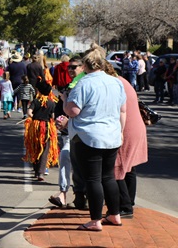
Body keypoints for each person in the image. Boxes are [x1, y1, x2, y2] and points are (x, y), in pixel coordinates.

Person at [63, 44, 126, 231]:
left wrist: (65, 100)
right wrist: (121, 131)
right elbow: (123, 110)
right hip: (112, 135)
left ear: (85, 65)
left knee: (93, 179)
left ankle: (95, 220)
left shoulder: (84, 83)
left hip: (89, 136)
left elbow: (73, 111)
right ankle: (114, 214)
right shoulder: (116, 82)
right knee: (109, 177)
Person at [103, 61, 147, 218]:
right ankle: (129, 202)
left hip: (125, 130)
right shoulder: (122, 81)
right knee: (129, 168)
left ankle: (125, 207)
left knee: (117, 168)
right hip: (135, 128)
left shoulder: (114, 85)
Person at [49, 56, 85, 208]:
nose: (70, 70)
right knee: (65, 156)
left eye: (74, 67)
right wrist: (59, 120)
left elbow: (82, 112)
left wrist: (67, 118)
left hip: (82, 133)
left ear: (83, 68)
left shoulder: (84, 85)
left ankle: (81, 197)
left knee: (79, 165)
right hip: (68, 133)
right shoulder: (69, 86)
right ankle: (63, 193)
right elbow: (60, 110)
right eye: (69, 67)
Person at [23, 77, 58, 181]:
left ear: (39, 91)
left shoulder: (36, 101)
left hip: (35, 127)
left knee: (35, 147)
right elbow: (52, 117)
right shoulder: (52, 103)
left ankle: (36, 170)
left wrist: (32, 116)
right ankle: (41, 173)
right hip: (47, 128)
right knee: (45, 149)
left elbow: (29, 112)